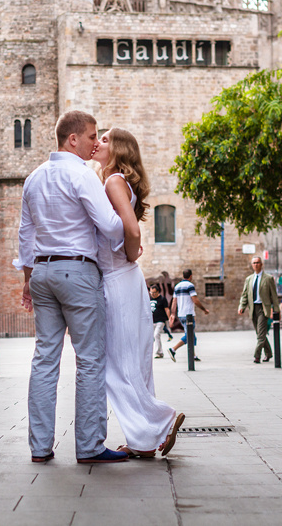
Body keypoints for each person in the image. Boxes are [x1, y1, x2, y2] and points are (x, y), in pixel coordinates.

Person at [15, 110, 130, 464]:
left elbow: (25, 235)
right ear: (73, 139)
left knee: (45, 360)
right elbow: (111, 227)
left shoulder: (33, 178)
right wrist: (127, 217)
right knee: (90, 359)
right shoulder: (82, 175)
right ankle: (90, 445)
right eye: (93, 136)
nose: (97, 142)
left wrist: (27, 281)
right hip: (78, 274)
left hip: (43, 274)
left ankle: (39, 447)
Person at [91, 128, 183, 458]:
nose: (97, 143)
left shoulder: (113, 181)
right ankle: (144, 439)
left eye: (103, 139)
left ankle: (159, 420)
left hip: (118, 278)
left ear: (118, 149)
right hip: (125, 279)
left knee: (115, 365)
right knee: (135, 360)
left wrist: (129, 254)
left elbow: (132, 229)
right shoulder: (118, 181)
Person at [238, 256, 278, 364]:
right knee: (260, 333)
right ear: (252, 265)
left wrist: (276, 309)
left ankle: (257, 355)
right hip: (253, 308)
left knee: (261, 334)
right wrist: (242, 306)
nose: (256, 264)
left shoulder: (268, 278)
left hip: (263, 308)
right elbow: (245, 294)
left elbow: (273, 295)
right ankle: (269, 353)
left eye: (258, 262)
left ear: (261, 264)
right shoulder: (249, 279)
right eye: (254, 263)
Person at [168, 269, 209, 362]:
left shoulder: (177, 286)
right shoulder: (190, 286)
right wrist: (204, 309)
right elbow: (195, 299)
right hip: (188, 315)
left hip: (181, 314)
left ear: (183, 276)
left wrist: (173, 314)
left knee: (191, 335)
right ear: (191, 276)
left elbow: (174, 301)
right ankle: (173, 349)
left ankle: (193, 356)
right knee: (189, 335)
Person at [149, 284, 170, 359]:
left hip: (160, 321)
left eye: (154, 292)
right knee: (154, 336)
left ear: (158, 292)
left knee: (156, 334)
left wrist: (169, 319)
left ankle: (157, 352)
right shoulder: (149, 299)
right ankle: (160, 352)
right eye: (151, 292)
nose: (152, 294)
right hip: (151, 321)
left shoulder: (162, 299)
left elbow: (166, 309)